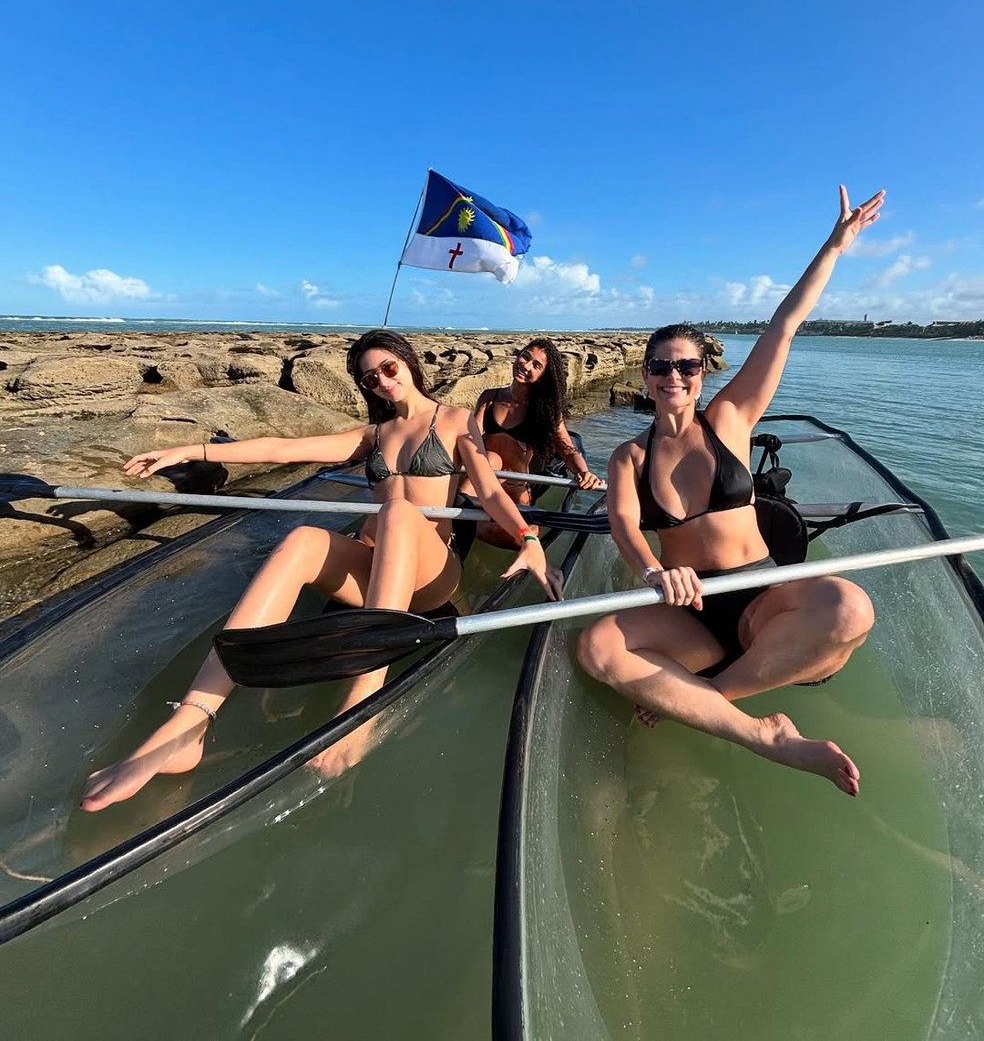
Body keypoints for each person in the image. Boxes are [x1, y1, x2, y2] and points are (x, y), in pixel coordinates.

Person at [81, 329, 563, 811]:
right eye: (370, 378)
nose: (382, 382)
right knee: (303, 540)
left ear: (408, 364)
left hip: (431, 577)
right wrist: (193, 451)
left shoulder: (456, 420)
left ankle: (361, 707)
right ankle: (191, 722)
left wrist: (529, 539)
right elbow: (282, 449)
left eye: (388, 369)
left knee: (397, 511)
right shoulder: (371, 436)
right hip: (376, 569)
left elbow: (492, 491)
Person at [577, 186, 885, 798]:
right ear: (646, 375)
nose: (673, 376)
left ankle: (706, 699)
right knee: (595, 646)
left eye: (686, 366)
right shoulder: (627, 456)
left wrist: (834, 246)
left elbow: (786, 325)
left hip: (759, 596)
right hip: (689, 612)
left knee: (852, 609)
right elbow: (625, 527)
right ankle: (761, 734)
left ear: (702, 375)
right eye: (661, 366)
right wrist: (649, 574)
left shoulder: (730, 421)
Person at [465, 337, 604, 549]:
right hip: (483, 481)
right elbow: (468, 441)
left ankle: (465, 527)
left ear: (542, 377)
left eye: (536, 365)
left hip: (515, 492)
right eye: (525, 357)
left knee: (526, 539)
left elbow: (568, 451)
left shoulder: (544, 411)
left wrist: (584, 472)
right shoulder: (489, 398)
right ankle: (458, 525)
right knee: (491, 459)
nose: (526, 365)